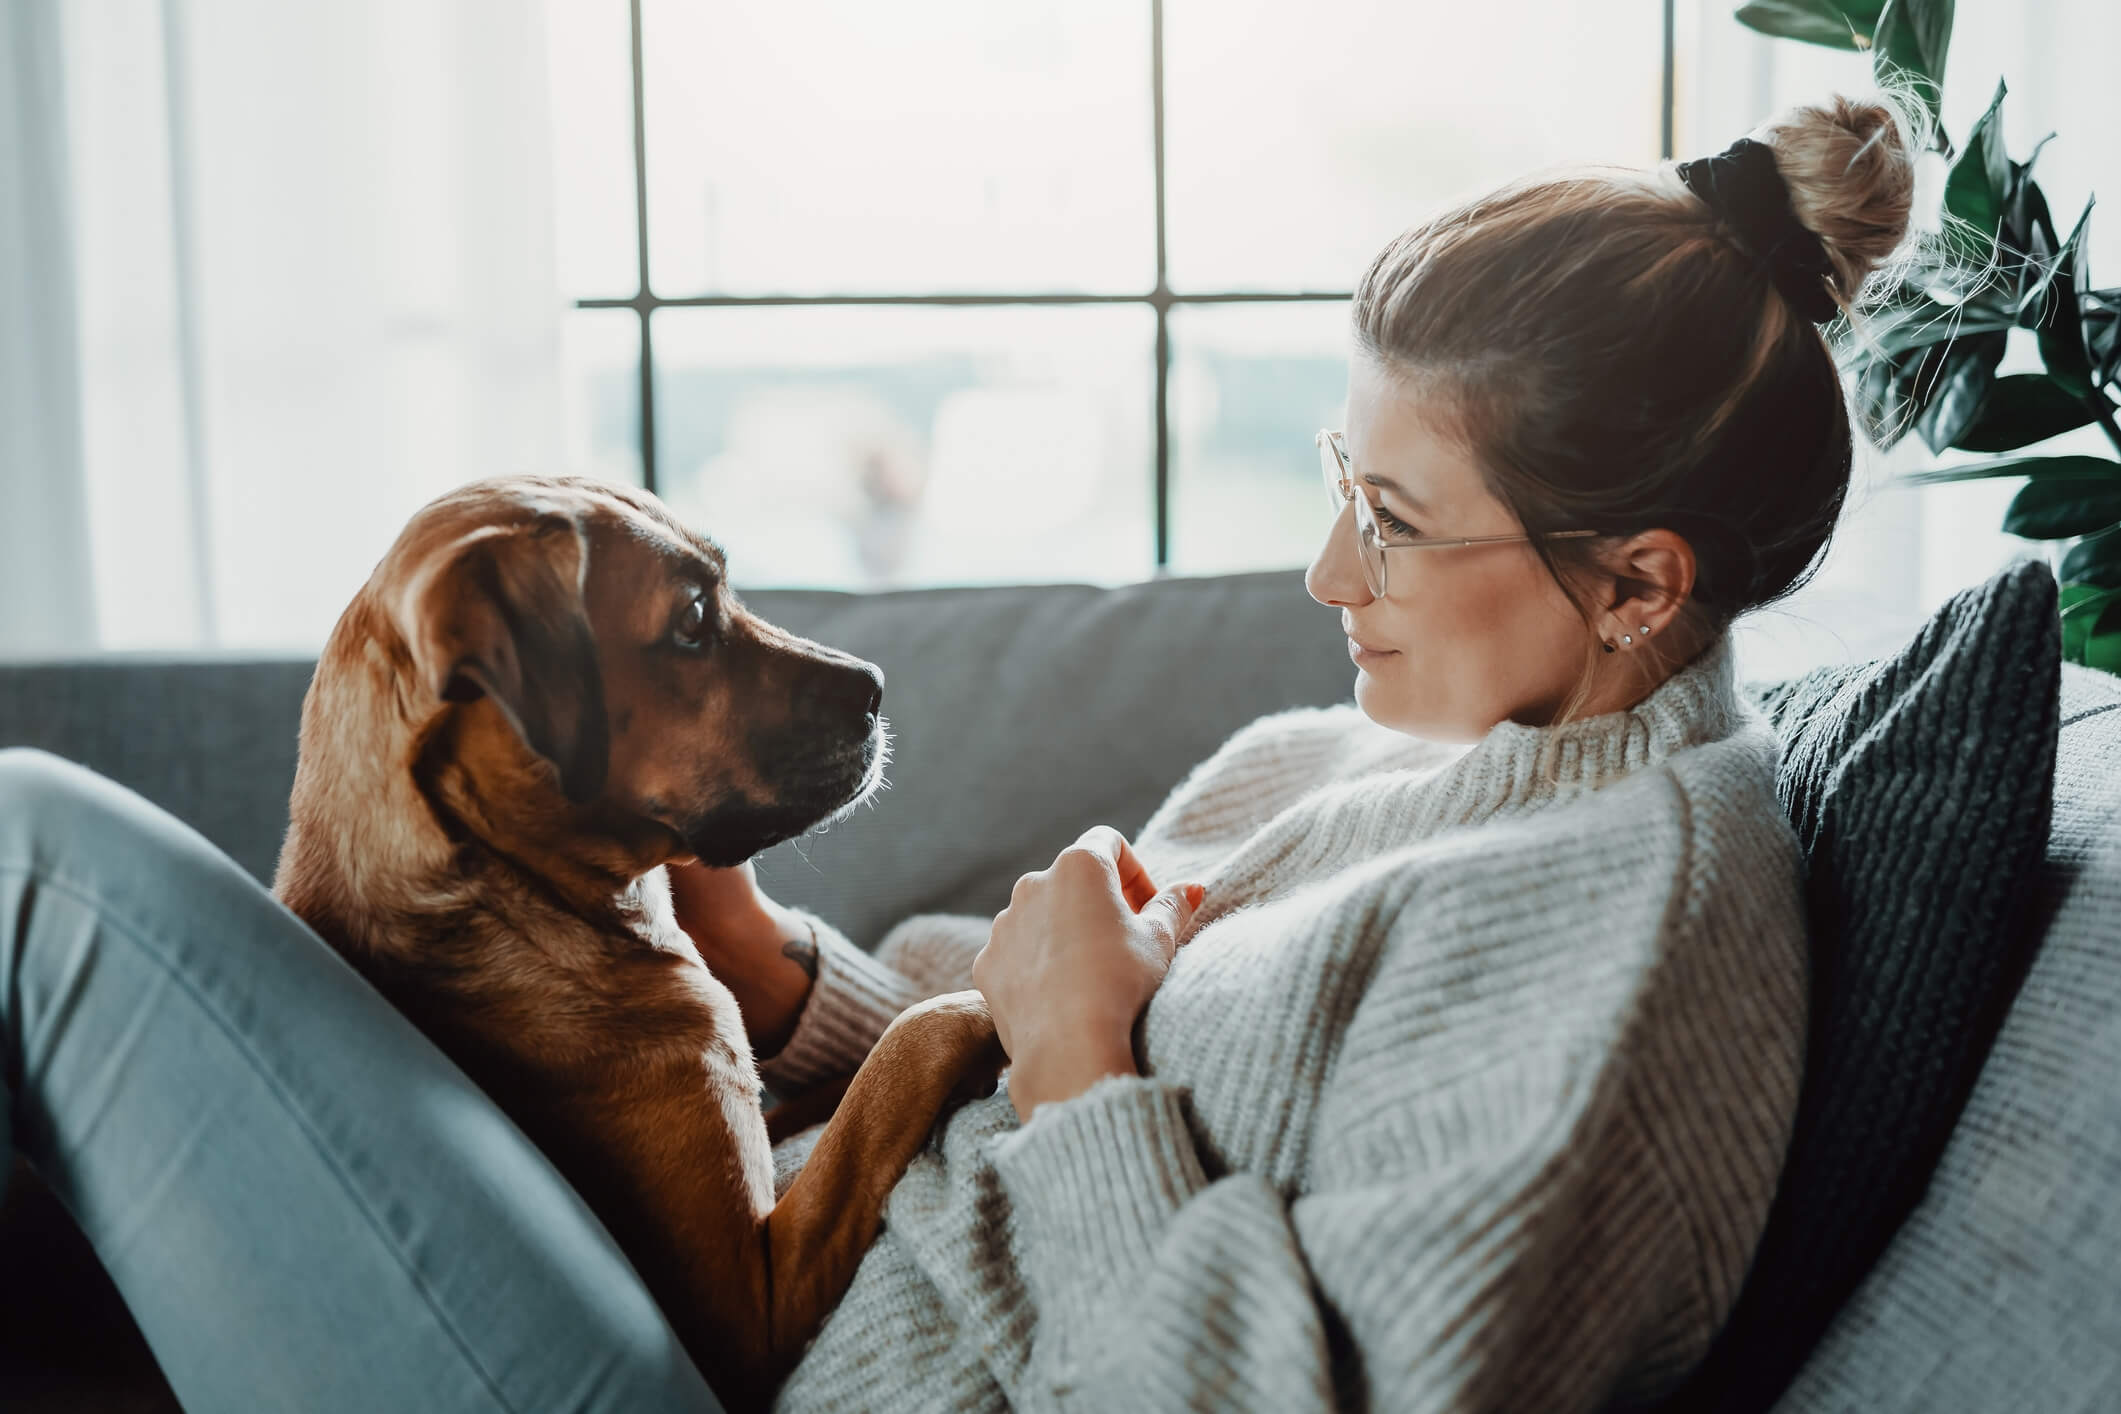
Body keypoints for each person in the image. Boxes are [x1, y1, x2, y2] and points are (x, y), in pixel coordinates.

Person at [0, 91, 1915, 1413]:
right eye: (1344, 479)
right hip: (729, 1273)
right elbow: (973, 1012)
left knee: (30, 863)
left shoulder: (1627, 934)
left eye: (1394, 518)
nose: (1328, 566)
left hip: (727, 1370)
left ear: (1637, 582)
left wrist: (1084, 1070)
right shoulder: (1337, 759)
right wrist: (779, 984)